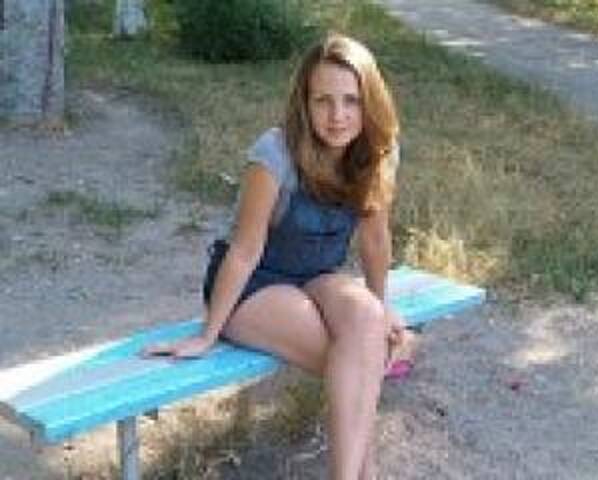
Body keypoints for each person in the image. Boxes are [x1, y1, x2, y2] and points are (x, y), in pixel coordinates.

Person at [144, 32, 414, 480]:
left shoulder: (378, 153)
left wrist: (382, 305)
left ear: (370, 101)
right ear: (304, 104)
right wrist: (209, 333)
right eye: (323, 101)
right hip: (254, 283)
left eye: (351, 100)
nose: (338, 116)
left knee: (367, 322)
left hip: (317, 274)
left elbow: (374, 240)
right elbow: (244, 249)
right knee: (360, 359)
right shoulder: (275, 154)